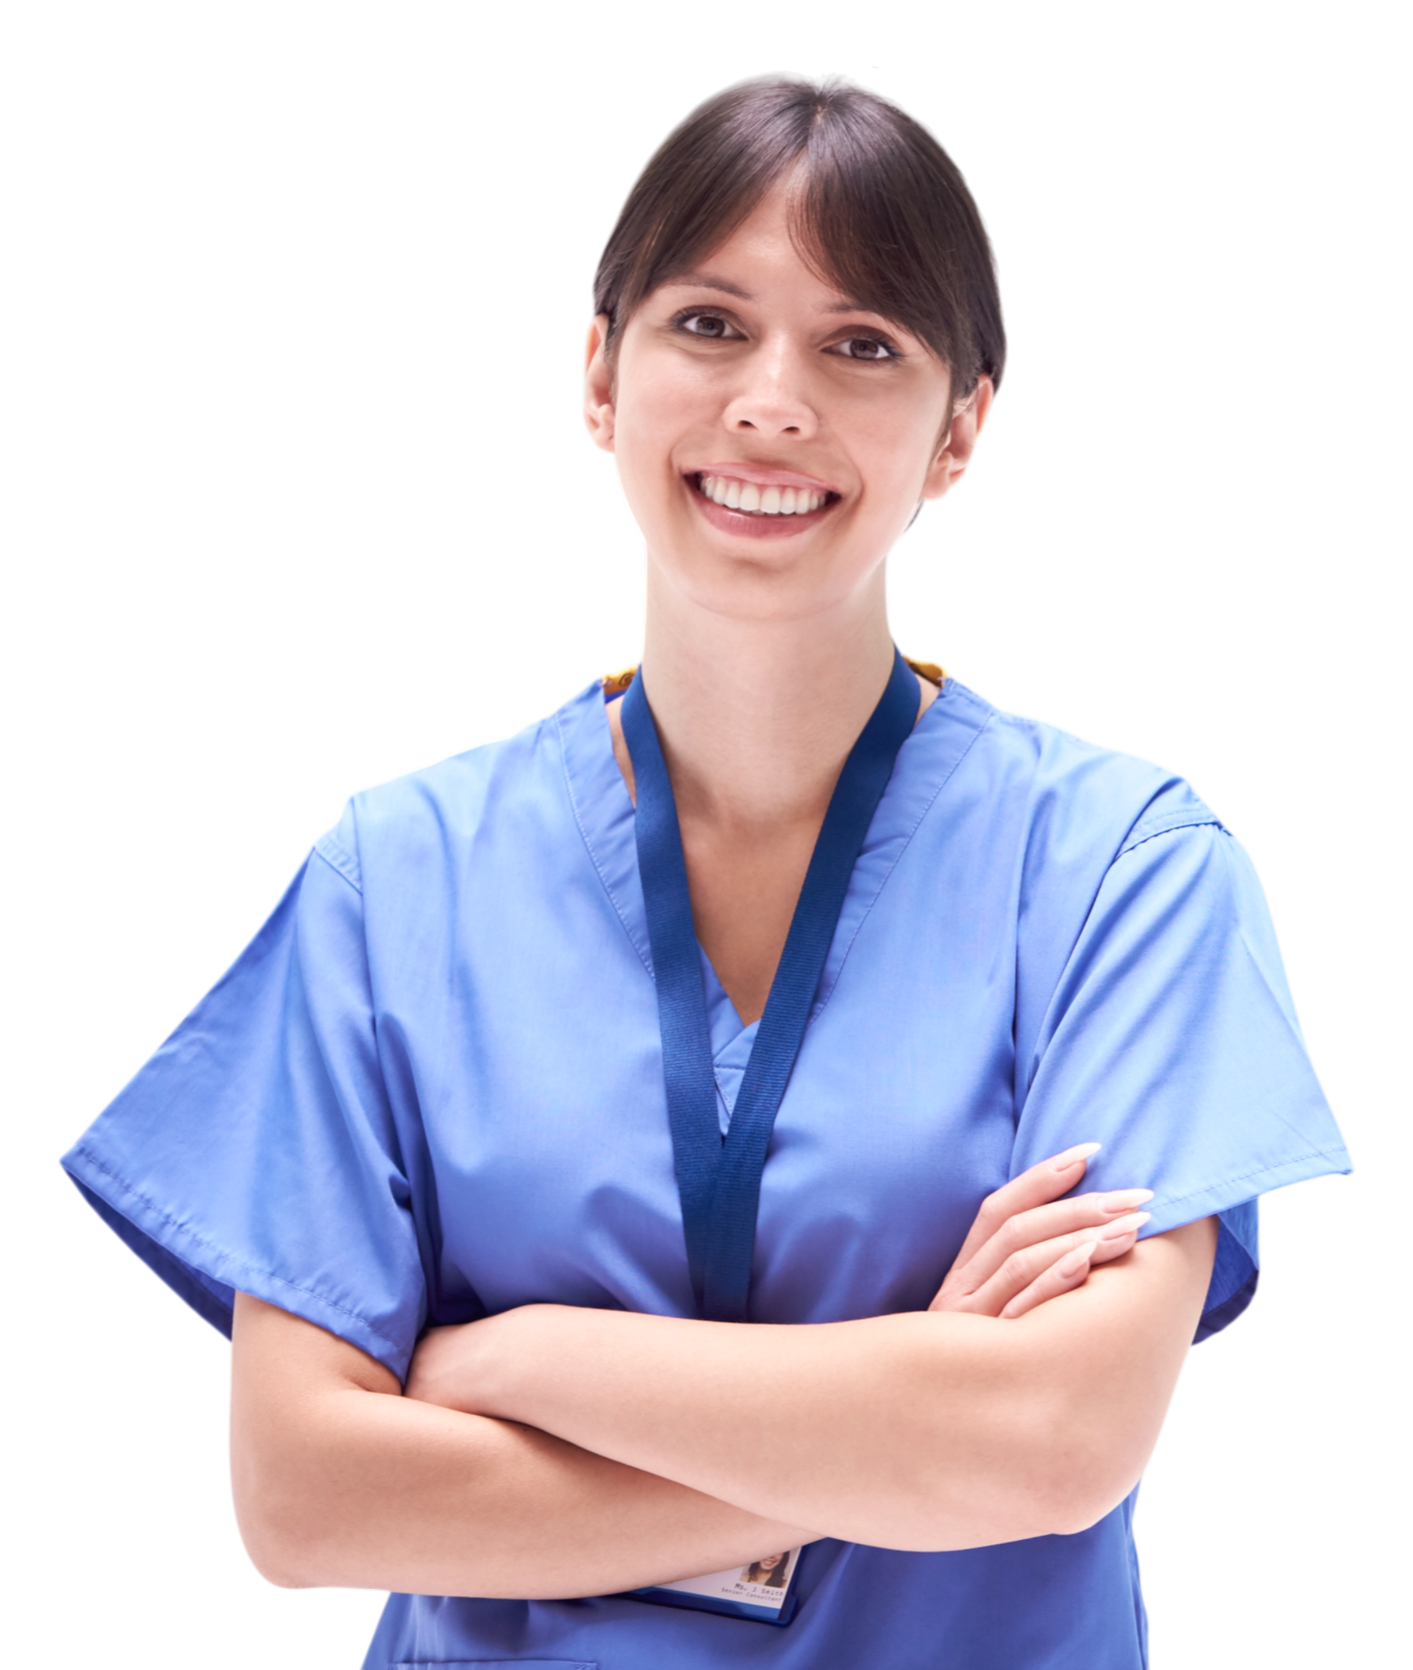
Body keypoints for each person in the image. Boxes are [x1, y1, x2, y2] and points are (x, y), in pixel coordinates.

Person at [59, 72, 1353, 1668]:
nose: (772, 402)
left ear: (961, 430)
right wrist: (894, 1423)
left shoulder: (1121, 874)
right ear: (599, 378)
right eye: (709, 325)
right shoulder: (399, 875)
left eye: (863, 342)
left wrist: (508, 1356)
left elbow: (1053, 1444)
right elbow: (306, 1498)